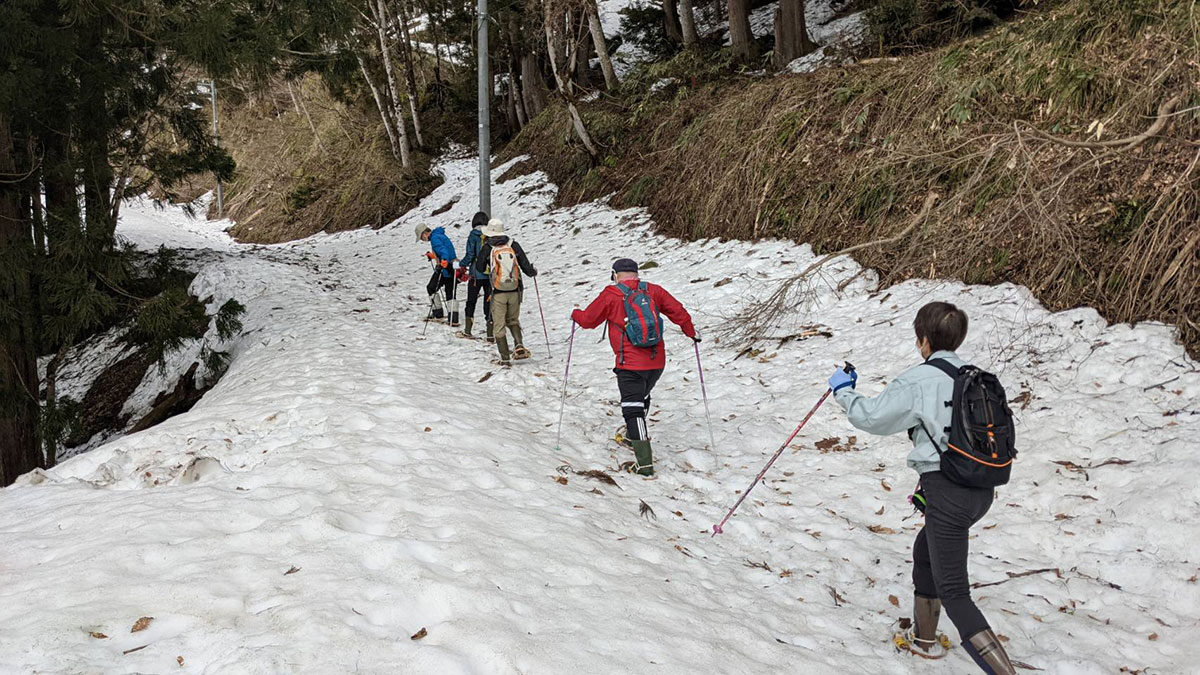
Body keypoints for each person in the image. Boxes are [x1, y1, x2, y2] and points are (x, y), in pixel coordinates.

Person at [827, 301, 1015, 674]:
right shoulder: (976, 376)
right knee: (925, 550)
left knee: (956, 593)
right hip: (982, 489)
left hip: (947, 491)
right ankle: (923, 639)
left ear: (923, 340)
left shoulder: (918, 380)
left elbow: (872, 417)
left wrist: (844, 391)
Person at [570, 258, 697, 477]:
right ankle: (631, 435)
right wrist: (691, 332)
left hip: (629, 362)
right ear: (636, 274)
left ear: (615, 274)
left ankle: (645, 465)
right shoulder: (654, 291)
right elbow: (678, 312)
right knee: (641, 396)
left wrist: (575, 314)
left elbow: (589, 320)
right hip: (656, 361)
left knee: (632, 408)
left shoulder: (611, 295)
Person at [473, 219, 536, 365]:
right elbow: (526, 267)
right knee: (513, 320)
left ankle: (505, 358)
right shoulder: (513, 244)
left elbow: (480, 267)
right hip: (515, 291)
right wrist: (533, 272)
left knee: (499, 324)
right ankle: (519, 344)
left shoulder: (488, 248)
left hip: (498, 291)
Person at [415, 223, 460, 327]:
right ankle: (453, 317)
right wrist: (433, 256)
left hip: (445, 267)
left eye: (421, 237)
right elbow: (444, 249)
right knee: (450, 290)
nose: (423, 240)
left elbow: (443, 251)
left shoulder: (434, 238)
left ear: (424, 233)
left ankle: (438, 313)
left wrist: (443, 260)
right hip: (453, 266)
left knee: (431, 288)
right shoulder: (439, 235)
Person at [457, 212, 493, 340]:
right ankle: (490, 334)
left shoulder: (473, 235)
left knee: (471, 301)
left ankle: (468, 330)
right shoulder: (491, 234)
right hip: (490, 275)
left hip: (475, 275)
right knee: (489, 303)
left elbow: (470, 254)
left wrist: (460, 265)